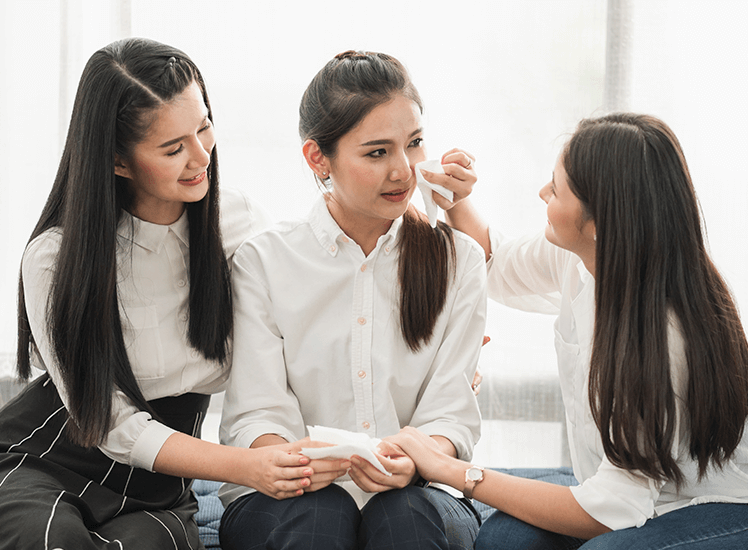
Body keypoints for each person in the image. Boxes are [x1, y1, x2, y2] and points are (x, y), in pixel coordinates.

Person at [0, 38, 316, 550]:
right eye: (173, 149)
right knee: (53, 541)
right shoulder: (55, 260)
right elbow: (112, 425)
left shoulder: (238, 226)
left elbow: (313, 324)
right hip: (49, 460)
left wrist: (433, 351)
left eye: (204, 127)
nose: (201, 156)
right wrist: (246, 466)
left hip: (159, 487)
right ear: (119, 162)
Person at [389, 112, 748, 549]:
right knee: (505, 541)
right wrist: (453, 199)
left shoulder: (664, 332)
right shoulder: (585, 256)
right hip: (619, 484)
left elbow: (611, 508)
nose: (542, 193)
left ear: (599, 223)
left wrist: (453, 471)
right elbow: (495, 263)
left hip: (709, 504)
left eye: (556, 189)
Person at [218, 50, 488, 550]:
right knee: (320, 513)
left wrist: (417, 460)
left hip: (422, 493)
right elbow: (256, 413)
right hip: (286, 496)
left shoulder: (460, 261)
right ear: (318, 157)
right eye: (377, 152)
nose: (404, 171)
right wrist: (293, 461)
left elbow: (452, 413)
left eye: (415, 143)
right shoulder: (264, 261)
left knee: (405, 515)